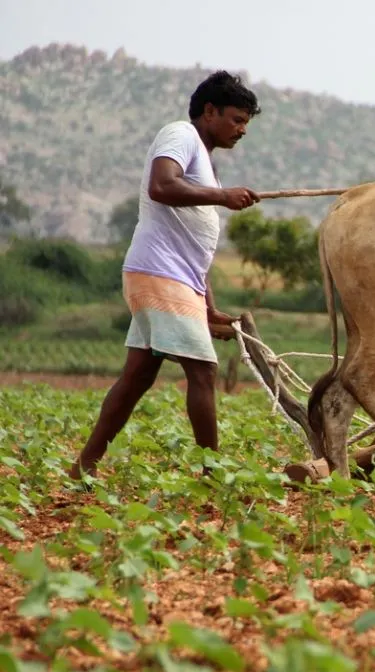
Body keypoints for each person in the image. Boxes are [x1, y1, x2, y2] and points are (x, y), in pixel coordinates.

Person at [69, 71, 263, 480]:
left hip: (172, 276)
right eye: (236, 119)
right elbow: (161, 186)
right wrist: (223, 196)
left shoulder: (204, 159)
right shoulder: (180, 135)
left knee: (137, 378)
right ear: (209, 111)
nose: (242, 130)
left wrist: (207, 307)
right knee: (203, 371)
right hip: (160, 273)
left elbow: (192, 246)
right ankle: (212, 475)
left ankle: (83, 467)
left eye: (246, 122)